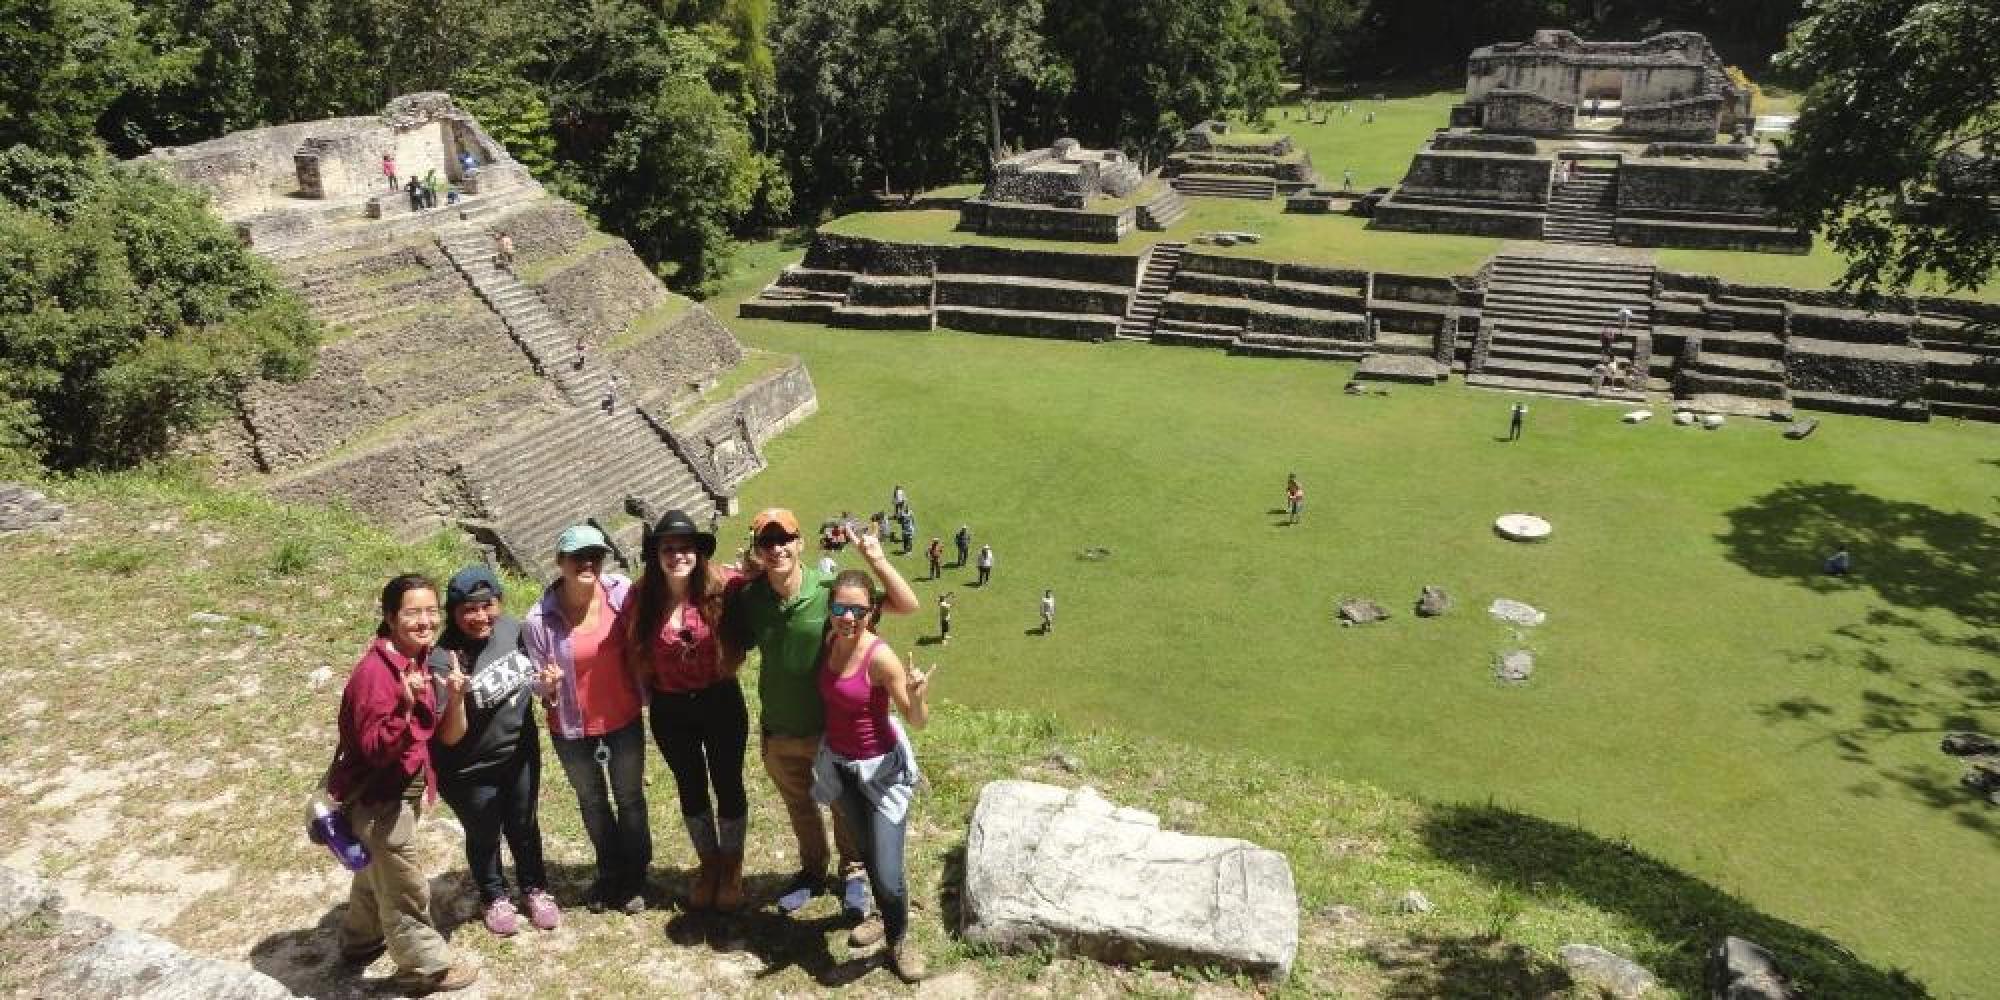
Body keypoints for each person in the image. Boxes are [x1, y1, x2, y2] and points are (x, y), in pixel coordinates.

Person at [721, 509, 918, 941]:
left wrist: (876, 559)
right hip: (777, 728)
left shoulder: (829, 592)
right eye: (766, 543)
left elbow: (906, 604)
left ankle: (853, 872)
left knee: (842, 809)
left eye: (784, 539)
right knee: (799, 806)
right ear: (757, 550)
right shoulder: (752, 598)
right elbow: (725, 622)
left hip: (827, 733)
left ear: (800, 542)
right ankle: (812, 871)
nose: (777, 549)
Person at [329, 574, 479, 993]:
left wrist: (456, 696)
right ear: (390, 618)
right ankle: (425, 967)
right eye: (413, 612)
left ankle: (359, 940)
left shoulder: (418, 660)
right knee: (405, 885)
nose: (425, 620)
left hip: (401, 794)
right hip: (379, 802)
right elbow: (376, 750)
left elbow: (447, 736)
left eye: (431, 611)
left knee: (374, 870)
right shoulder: (375, 677)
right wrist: (405, 704)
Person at [810, 571, 933, 982]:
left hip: (882, 773)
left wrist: (915, 698)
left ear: (871, 611)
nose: (847, 617)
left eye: (858, 610)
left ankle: (899, 939)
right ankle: (884, 916)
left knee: (888, 873)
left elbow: (916, 721)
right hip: (842, 768)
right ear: (830, 609)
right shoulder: (829, 642)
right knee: (864, 851)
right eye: (840, 608)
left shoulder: (880, 657)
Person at [523, 525, 649, 914]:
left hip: (623, 717)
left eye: (594, 555)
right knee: (592, 801)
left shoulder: (620, 595)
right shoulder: (539, 620)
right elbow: (535, 682)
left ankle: (637, 875)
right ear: (560, 562)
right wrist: (543, 686)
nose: (587, 563)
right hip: (572, 729)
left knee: (630, 800)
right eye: (577, 557)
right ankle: (610, 872)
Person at [627, 510, 750, 912]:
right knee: (690, 786)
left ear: (698, 552)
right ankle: (708, 864)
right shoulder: (642, 596)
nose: (677, 555)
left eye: (685, 547)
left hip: (719, 698)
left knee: (727, 782)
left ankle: (731, 865)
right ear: (657, 555)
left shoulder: (724, 586)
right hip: (670, 706)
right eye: (668, 548)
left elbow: (763, 588)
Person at [430, 566, 559, 938]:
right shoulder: (444, 658)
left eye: (488, 605)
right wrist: (455, 699)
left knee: (524, 824)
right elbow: (449, 738)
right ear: (453, 613)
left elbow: (529, 681)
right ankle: (494, 894)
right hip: (469, 767)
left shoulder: (512, 631)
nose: (480, 616)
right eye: (469, 609)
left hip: (519, 755)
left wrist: (546, 687)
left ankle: (535, 887)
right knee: (484, 832)